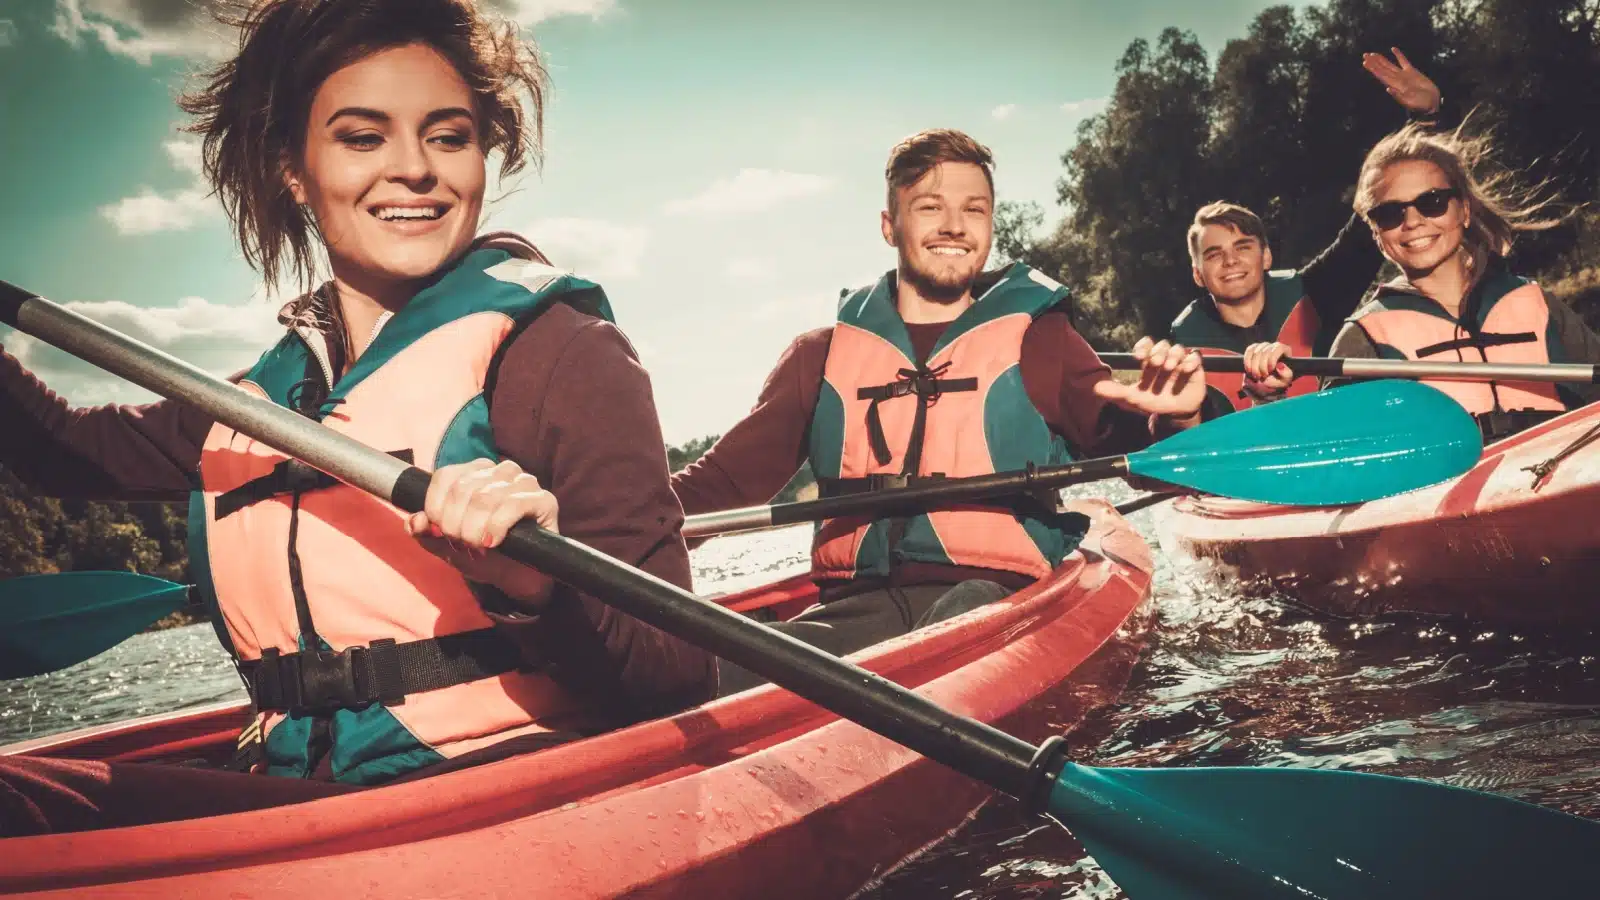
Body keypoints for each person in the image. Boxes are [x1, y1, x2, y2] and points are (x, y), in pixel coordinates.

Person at [0, 0, 713, 837]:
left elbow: (675, 675)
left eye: (448, 136)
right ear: (292, 170)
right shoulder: (258, 400)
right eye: (362, 137)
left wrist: (532, 584)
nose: (414, 169)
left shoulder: (564, 354)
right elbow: (68, 455)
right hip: (304, 786)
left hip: (495, 790)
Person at [672, 129, 1207, 695]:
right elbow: (716, 486)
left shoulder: (1040, 343)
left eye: (973, 209)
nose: (955, 225)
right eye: (931, 207)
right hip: (858, 614)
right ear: (889, 226)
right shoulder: (819, 357)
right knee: (700, 685)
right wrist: (597, 525)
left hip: (1004, 604)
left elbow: (1148, 459)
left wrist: (1175, 421)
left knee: (966, 610)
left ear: (990, 225)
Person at [1243, 120, 1600, 442]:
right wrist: (1269, 400)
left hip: (1559, 483)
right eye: (1390, 213)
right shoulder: (1363, 339)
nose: (1412, 221)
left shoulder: (1535, 301)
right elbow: (1331, 457)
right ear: (1377, 235)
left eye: (1432, 202)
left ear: (1463, 211)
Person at [1172, 49, 1444, 412]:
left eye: (1242, 246)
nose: (1230, 261)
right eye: (1214, 254)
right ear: (1197, 274)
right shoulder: (1183, 347)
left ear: (1266, 256)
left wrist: (1426, 118)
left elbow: (1373, 216)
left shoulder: (1317, 293)